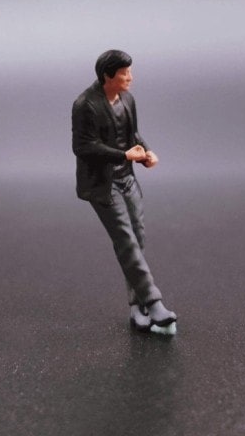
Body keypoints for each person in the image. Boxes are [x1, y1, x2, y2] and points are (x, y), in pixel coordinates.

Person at [71, 49, 177, 333]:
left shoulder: (128, 100)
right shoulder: (85, 105)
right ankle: (154, 302)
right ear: (108, 76)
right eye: (124, 73)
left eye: (130, 72)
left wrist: (146, 153)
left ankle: (136, 307)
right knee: (126, 241)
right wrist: (123, 155)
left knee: (137, 239)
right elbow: (83, 147)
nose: (130, 77)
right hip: (103, 185)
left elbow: (133, 136)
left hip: (127, 179)